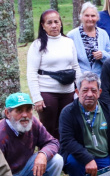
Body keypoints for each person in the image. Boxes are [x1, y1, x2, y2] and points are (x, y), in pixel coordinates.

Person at [26, 9, 81, 140]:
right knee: (49, 128)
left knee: (66, 127)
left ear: (61, 23)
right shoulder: (37, 45)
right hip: (47, 92)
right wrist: (36, 98)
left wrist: (80, 88)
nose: (54, 25)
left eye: (56, 22)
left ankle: (64, 156)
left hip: (68, 91)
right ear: (43, 26)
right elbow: (31, 72)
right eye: (49, 23)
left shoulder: (68, 42)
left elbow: (75, 66)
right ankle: (48, 154)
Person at [68, 2, 110, 75]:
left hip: (99, 78)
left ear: (97, 17)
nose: (90, 19)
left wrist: (103, 55)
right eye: (87, 16)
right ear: (81, 17)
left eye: (93, 16)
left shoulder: (103, 34)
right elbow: (69, 61)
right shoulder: (72, 35)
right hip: (80, 78)